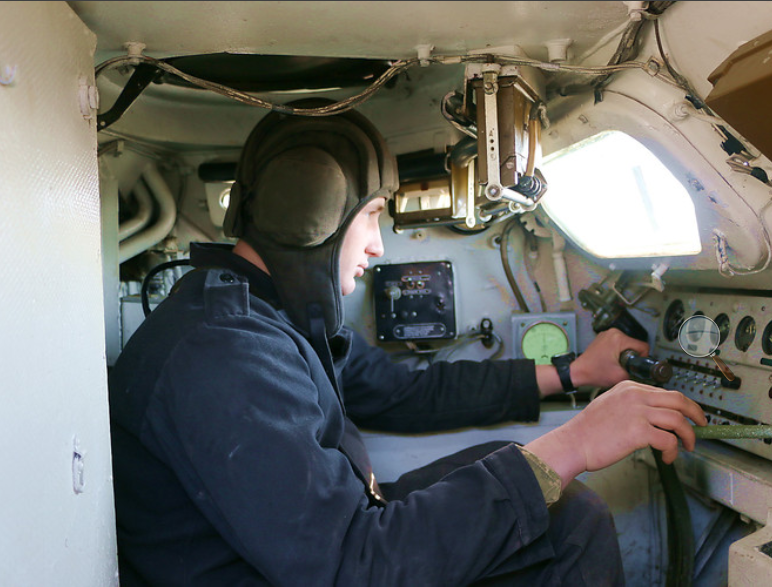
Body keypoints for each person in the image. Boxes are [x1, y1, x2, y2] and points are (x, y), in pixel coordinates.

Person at [108, 100, 707, 586]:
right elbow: (349, 566)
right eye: (371, 216)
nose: (377, 246)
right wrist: (576, 442)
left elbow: (405, 391)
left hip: (321, 549)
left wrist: (573, 372)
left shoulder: (267, 319)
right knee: (566, 525)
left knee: (542, 496)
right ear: (309, 209)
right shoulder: (226, 353)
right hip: (328, 563)